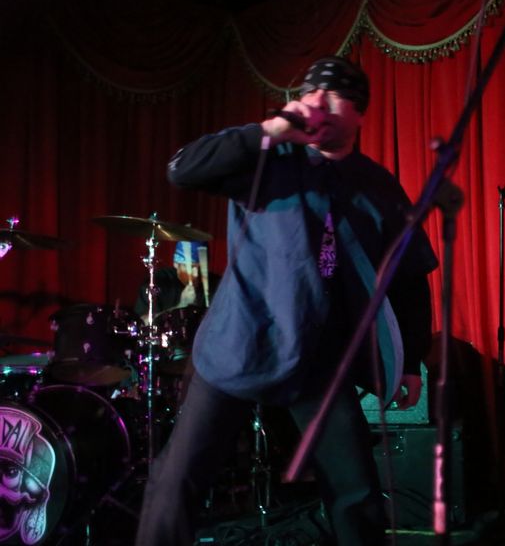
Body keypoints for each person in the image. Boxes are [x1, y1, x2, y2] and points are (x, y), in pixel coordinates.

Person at [136, 56, 437, 546]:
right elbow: (183, 170)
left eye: (332, 96)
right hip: (239, 343)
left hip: (317, 357)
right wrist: (268, 131)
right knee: (178, 479)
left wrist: (411, 361)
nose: (317, 103)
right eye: (309, 93)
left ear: (359, 113)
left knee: (356, 492)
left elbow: (409, 279)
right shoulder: (265, 159)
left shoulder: (377, 186)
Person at [133, 240, 218, 324]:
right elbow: (143, 322)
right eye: (191, 267)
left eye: (202, 268)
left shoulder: (218, 285)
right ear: (176, 264)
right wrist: (181, 306)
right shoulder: (158, 281)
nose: (196, 274)